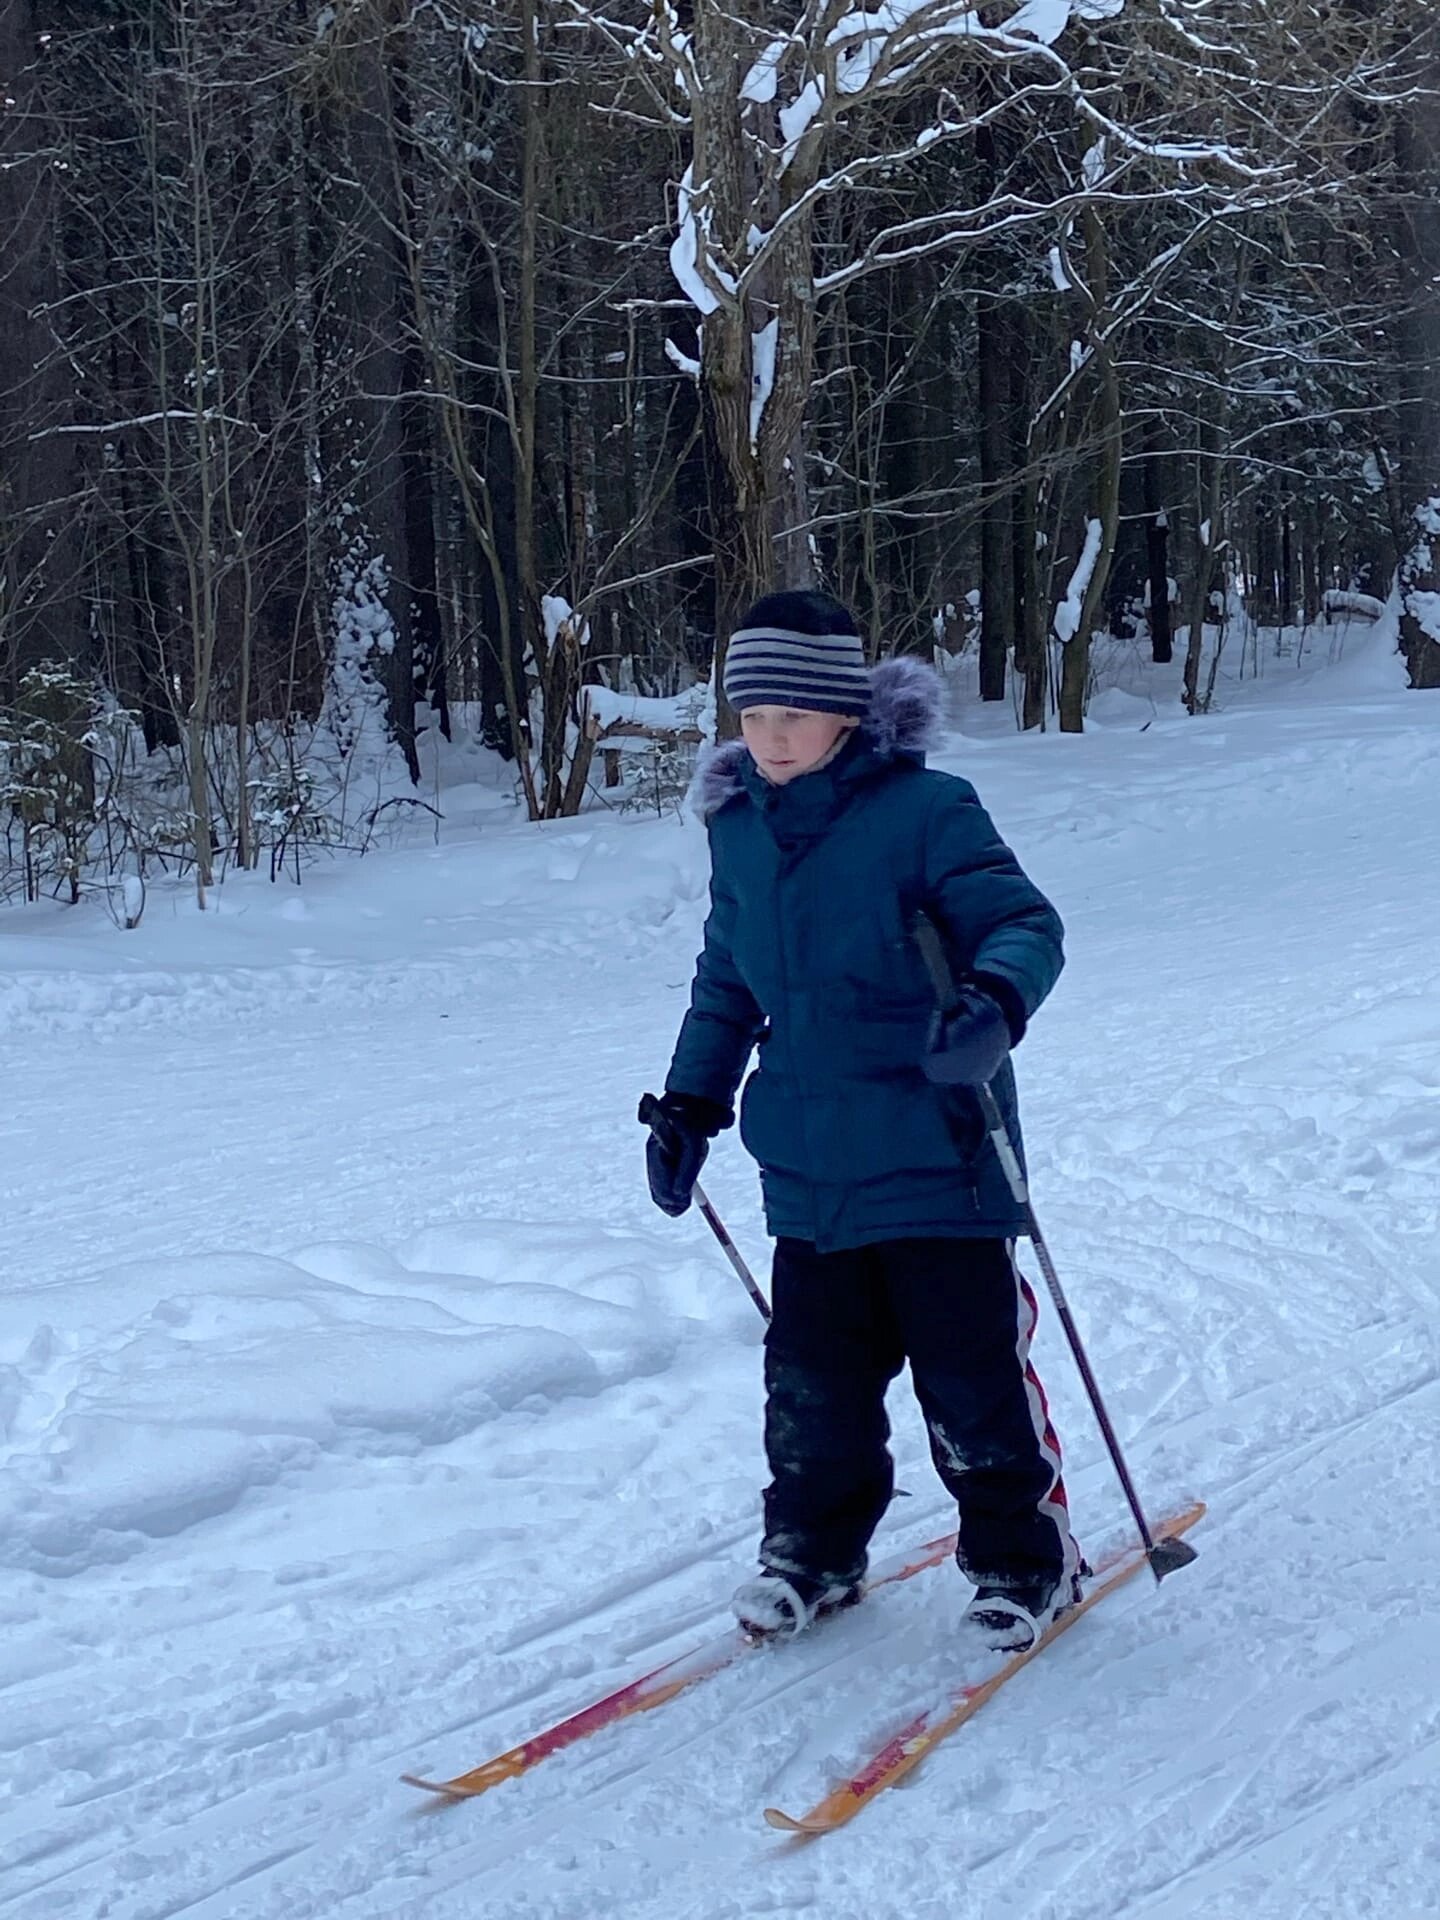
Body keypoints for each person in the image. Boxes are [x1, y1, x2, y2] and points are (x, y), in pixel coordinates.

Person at [644, 589, 1081, 1653]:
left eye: (792, 711)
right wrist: (692, 1103)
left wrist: (994, 1008)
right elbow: (725, 983)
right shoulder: (739, 828)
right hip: (810, 1171)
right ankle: (813, 1550)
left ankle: (1027, 1561)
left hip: (940, 1154)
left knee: (972, 1386)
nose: (771, 734)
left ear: (846, 711)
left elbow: (1024, 923)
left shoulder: (926, 809)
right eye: (751, 714)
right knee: (811, 1391)